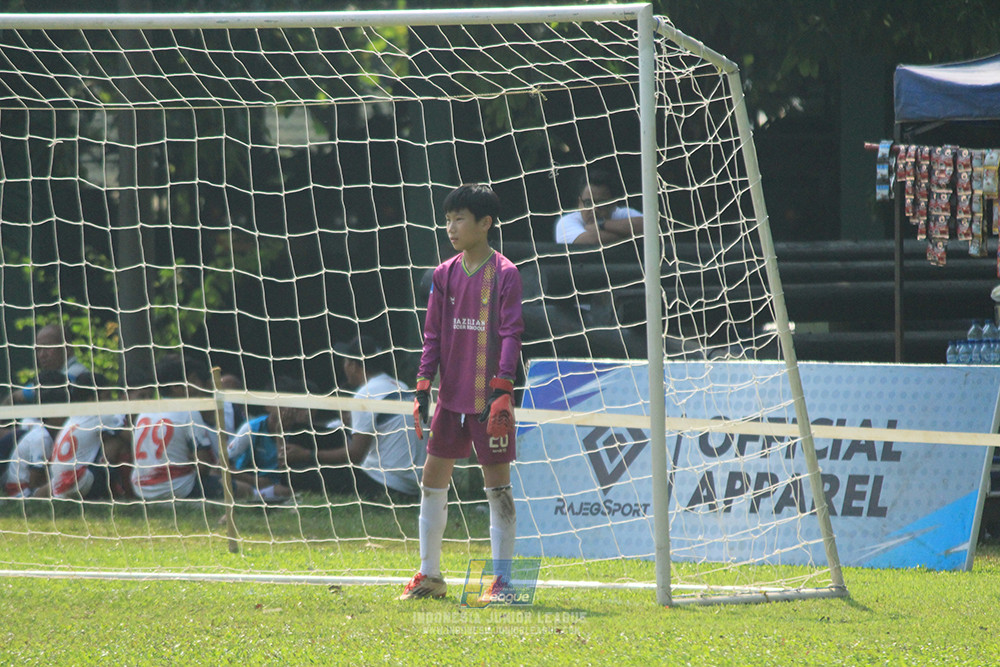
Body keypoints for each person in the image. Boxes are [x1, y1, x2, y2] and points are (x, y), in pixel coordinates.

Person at [399, 183, 524, 602]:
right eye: (447, 219)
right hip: (450, 399)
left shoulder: (505, 274)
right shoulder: (444, 273)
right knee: (432, 480)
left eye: (459, 219)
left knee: (497, 488)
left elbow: (510, 333)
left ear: (484, 223)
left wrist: (503, 389)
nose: (451, 227)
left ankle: (503, 583)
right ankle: (430, 575)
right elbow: (432, 334)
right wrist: (422, 386)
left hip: (488, 400)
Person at [130, 354, 241, 502]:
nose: (193, 388)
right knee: (241, 489)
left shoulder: (144, 412)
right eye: (189, 382)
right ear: (176, 388)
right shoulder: (188, 412)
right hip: (178, 488)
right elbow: (204, 466)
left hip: (141, 489)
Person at [330, 334, 426, 500]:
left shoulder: (364, 395)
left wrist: (307, 454)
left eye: (345, 362)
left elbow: (356, 455)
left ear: (353, 366)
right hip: (413, 487)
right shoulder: (399, 386)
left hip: (385, 485)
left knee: (310, 472)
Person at [33, 372, 130, 501]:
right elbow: (132, 438)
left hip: (60, 485)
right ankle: (130, 493)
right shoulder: (101, 415)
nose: (110, 401)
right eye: (107, 396)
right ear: (92, 400)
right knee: (117, 443)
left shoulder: (72, 419)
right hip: (81, 483)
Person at [226, 375, 310, 504]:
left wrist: (280, 434)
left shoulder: (300, 431)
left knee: (288, 490)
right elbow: (222, 463)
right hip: (250, 482)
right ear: (268, 405)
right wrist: (255, 481)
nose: (288, 410)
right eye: (282, 404)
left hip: (280, 485)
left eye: (292, 405)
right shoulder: (252, 428)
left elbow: (286, 470)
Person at [2, 372, 70, 498]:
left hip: (24, 488)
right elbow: (34, 482)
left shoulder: (46, 433)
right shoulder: (42, 438)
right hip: (20, 492)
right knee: (67, 479)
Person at [553, 169, 643, 244]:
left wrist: (602, 225)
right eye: (588, 203)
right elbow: (592, 240)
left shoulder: (622, 213)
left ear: (613, 204)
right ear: (580, 203)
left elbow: (649, 226)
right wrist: (633, 234)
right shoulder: (566, 222)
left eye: (601, 204)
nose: (594, 209)